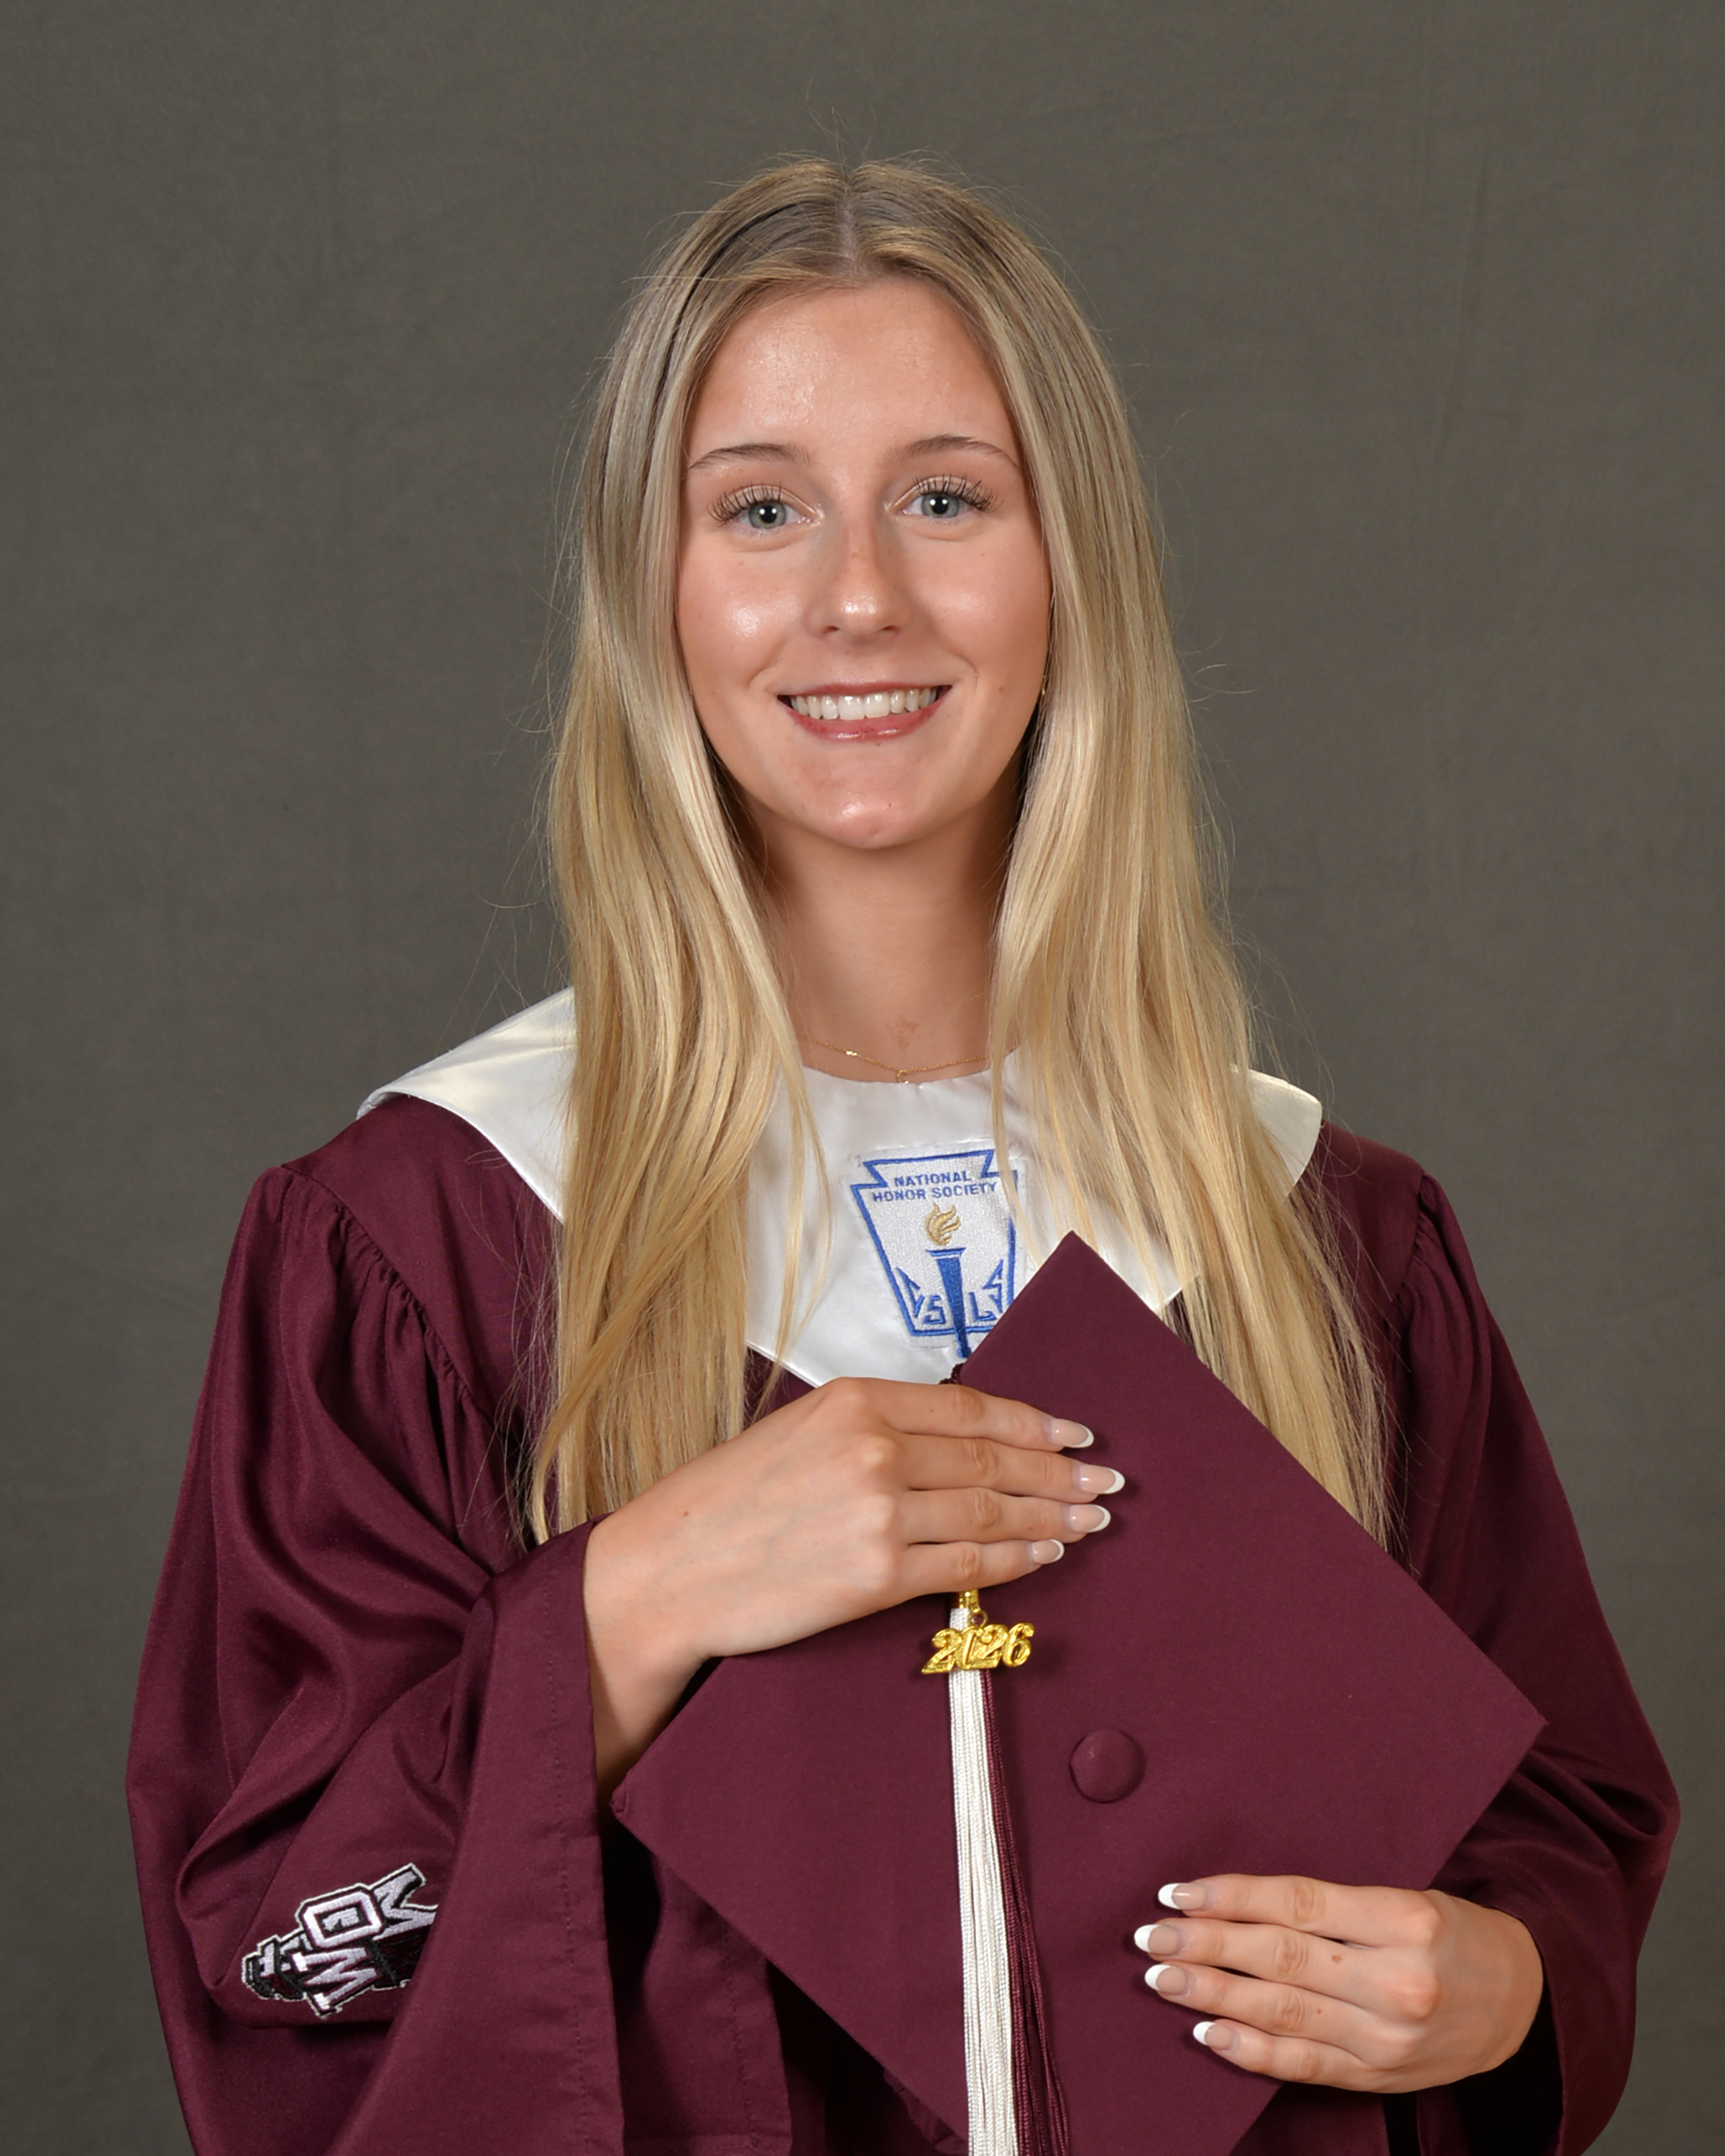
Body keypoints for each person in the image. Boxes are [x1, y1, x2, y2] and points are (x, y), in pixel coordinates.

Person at [128, 159, 1675, 2156]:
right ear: (656, 590)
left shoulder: (1317, 1232)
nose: (858, 596)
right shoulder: (435, 1235)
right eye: (760, 509)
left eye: (947, 498)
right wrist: (625, 1610)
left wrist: (1503, 1983)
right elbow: (282, 1945)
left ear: (1069, 568)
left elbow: (1552, 1824)